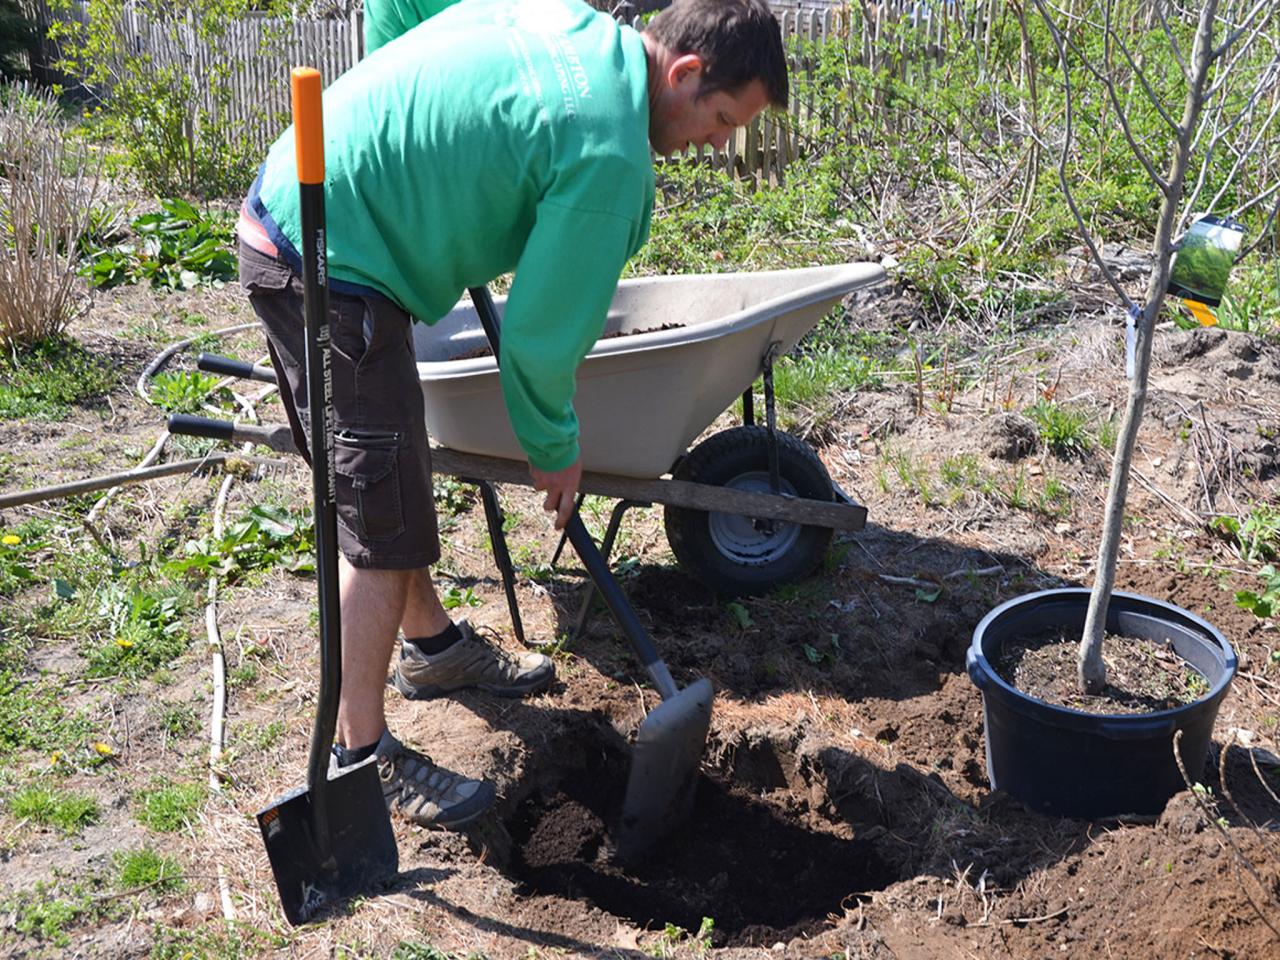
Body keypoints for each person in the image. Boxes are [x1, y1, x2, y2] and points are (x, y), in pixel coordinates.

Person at [236, 0, 788, 830]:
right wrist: (555, 450)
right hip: (330, 257)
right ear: (682, 73)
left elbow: (406, 14)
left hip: (311, 204)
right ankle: (361, 757)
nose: (716, 146)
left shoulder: (570, 21)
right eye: (719, 121)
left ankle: (431, 651)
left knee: (389, 483)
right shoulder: (611, 157)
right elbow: (536, 342)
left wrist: (442, 169)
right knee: (380, 518)